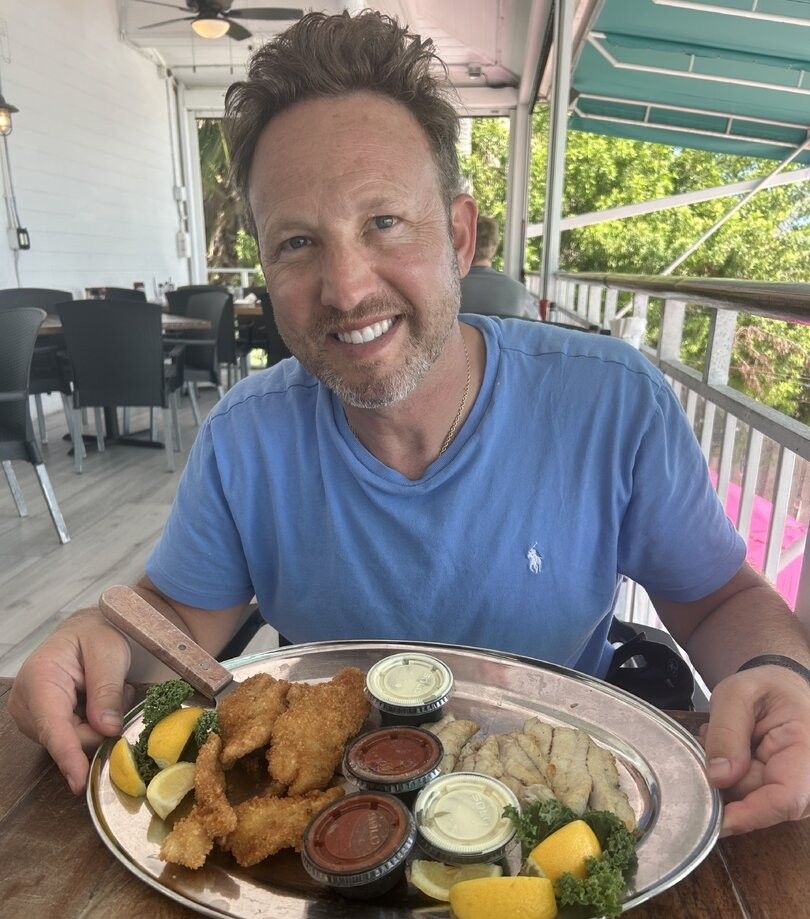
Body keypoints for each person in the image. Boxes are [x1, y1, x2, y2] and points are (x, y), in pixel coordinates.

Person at [10, 11, 809, 839]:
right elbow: (171, 624)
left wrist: (778, 672)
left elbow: (718, 601)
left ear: (460, 236)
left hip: (556, 817)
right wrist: (91, 639)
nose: (347, 288)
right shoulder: (246, 437)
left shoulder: (612, 405)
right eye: (297, 242)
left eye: (383, 222)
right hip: (337, 823)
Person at [460, 215, 538, 319]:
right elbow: (533, 323)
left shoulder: (448, 289)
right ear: (494, 247)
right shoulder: (518, 291)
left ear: (464, 243)